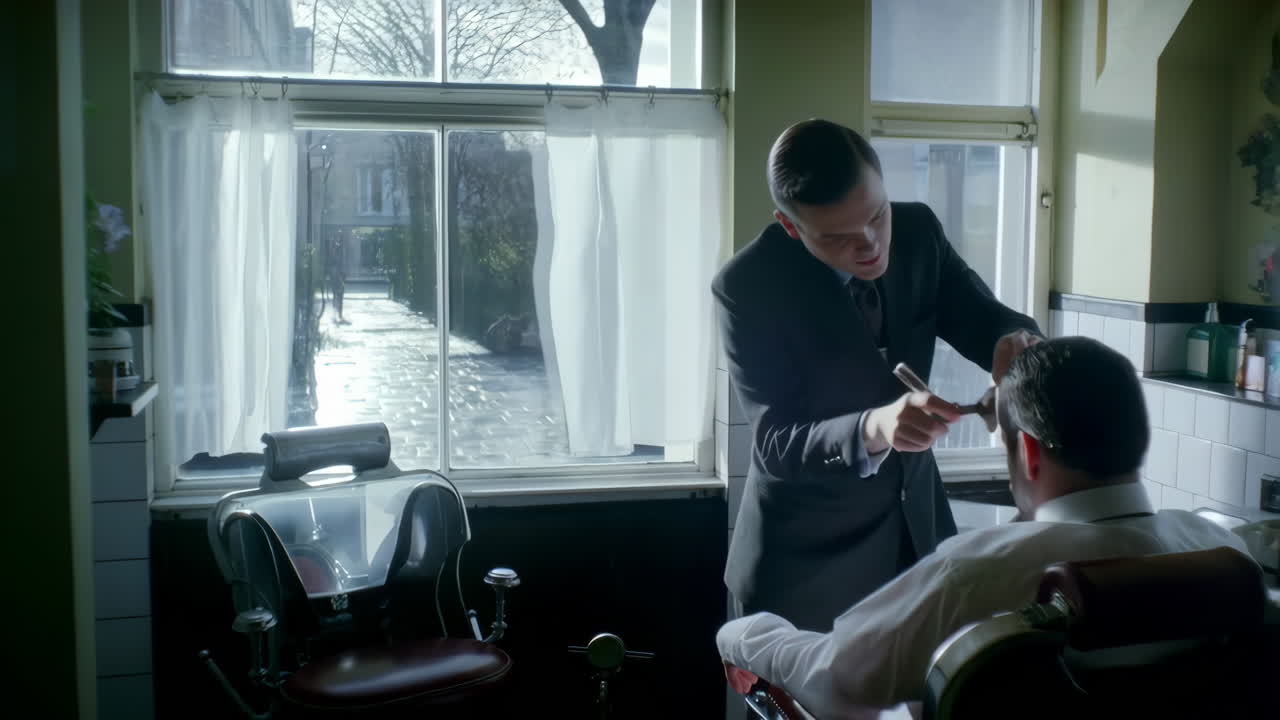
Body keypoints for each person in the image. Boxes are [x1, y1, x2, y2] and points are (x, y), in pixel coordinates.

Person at [717, 337, 1253, 717]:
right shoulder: (1222, 556)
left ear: (1028, 450)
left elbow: (835, 679)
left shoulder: (973, 575)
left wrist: (744, 636)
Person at [713, 119, 1040, 633]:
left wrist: (1012, 344)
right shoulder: (747, 285)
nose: (869, 245)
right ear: (791, 226)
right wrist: (874, 428)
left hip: (919, 545)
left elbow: (985, 317)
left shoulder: (918, 233)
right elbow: (775, 441)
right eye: (839, 237)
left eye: (877, 215)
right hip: (805, 571)